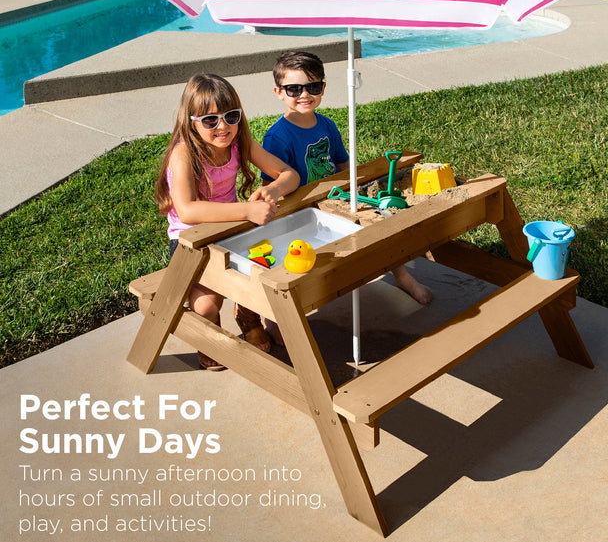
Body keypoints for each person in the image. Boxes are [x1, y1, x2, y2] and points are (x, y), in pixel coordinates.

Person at [262, 51, 433, 305]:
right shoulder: (277, 138)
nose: (305, 94)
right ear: (279, 92)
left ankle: (402, 276)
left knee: (381, 224)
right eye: (294, 89)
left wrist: (357, 188)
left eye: (313, 86)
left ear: (323, 87)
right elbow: (270, 186)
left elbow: (343, 164)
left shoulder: (327, 125)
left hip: (335, 198)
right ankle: (280, 309)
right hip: (302, 209)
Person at [155, 74, 299, 369]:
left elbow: (290, 174)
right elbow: (187, 211)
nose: (223, 127)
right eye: (210, 120)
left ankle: (248, 315)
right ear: (191, 120)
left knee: (267, 269)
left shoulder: (240, 142)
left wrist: (272, 189)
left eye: (231, 116)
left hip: (231, 231)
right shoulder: (183, 154)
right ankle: (211, 329)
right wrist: (246, 211)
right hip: (190, 240)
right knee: (208, 305)